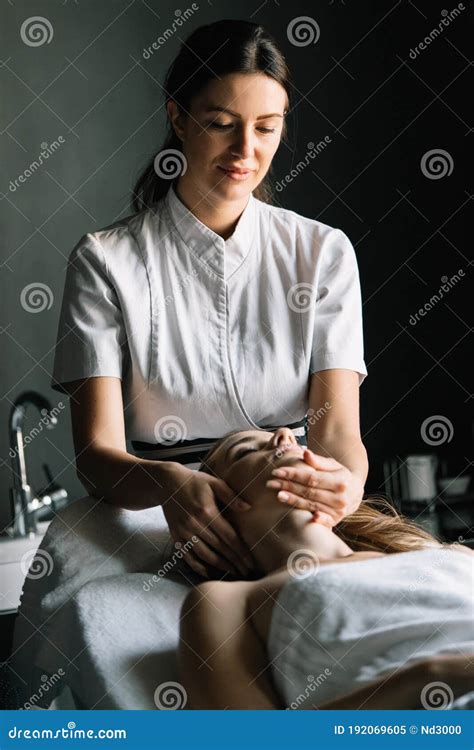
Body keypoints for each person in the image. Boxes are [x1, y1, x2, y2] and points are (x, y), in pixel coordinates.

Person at [50, 20, 369, 580]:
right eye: (222, 124)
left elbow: (338, 432)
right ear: (178, 117)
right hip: (161, 522)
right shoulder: (106, 261)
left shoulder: (323, 253)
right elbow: (97, 456)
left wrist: (345, 483)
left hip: (290, 511)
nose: (246, 150)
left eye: (267, 129)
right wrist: (170, 482)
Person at [178, 426, 474, 709]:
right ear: (213, 511)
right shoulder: (226, 601)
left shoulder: (443, 553)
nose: (284, 436)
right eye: (244, 452)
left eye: (291, 440)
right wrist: (430, 677)